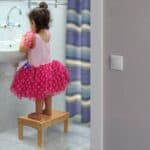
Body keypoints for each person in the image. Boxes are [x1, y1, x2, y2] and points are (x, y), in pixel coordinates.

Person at [10, 2, 70, 120]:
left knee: (39, 93)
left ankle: (37, 114)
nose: (30, 26)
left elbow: (22, 49)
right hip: (49, 68)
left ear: (36, 23)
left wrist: (23, 39)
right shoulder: (47, 33)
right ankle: (48, 110)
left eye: (31, 23)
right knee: (48, 91)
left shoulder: (32, 36)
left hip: (37, 70)